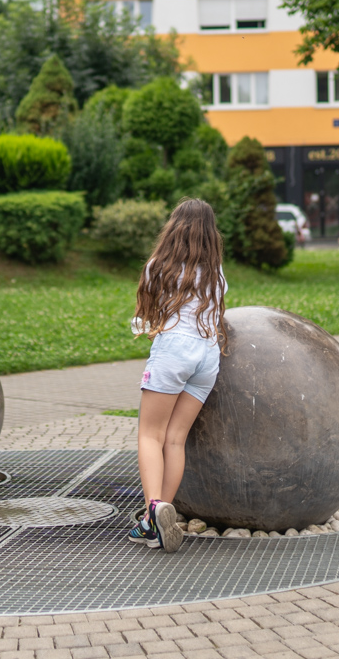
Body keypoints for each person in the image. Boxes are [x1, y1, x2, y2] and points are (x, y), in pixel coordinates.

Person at [127, 198, 227, 554]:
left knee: (150, 436)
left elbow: (147, 317)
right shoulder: (216, 276)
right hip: (207, 356)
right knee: (175, 439)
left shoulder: (160, 267)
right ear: (209, 234)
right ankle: (155, 522)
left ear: (174, 229)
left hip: (174, 352)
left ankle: (153, 510)